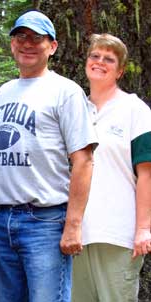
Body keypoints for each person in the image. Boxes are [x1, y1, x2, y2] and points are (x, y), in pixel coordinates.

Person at [0, 10, 98, 302]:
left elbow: (84, 160)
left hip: (46, 221)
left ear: (52, 47)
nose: (27, 43)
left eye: (37, 38)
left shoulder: (66, 91)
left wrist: (73, 226)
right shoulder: (3, 93)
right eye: (20, 36)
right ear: (11, 44)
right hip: (3, 220)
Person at [72, 33, 151, 302]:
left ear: (120, 70)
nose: (99, 62)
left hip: (118, 233)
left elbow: (146, 174)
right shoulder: (76, 108)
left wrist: (143, 228)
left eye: (109, 59)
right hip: (75, 234)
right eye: (95, 56)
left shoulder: (135, 110)